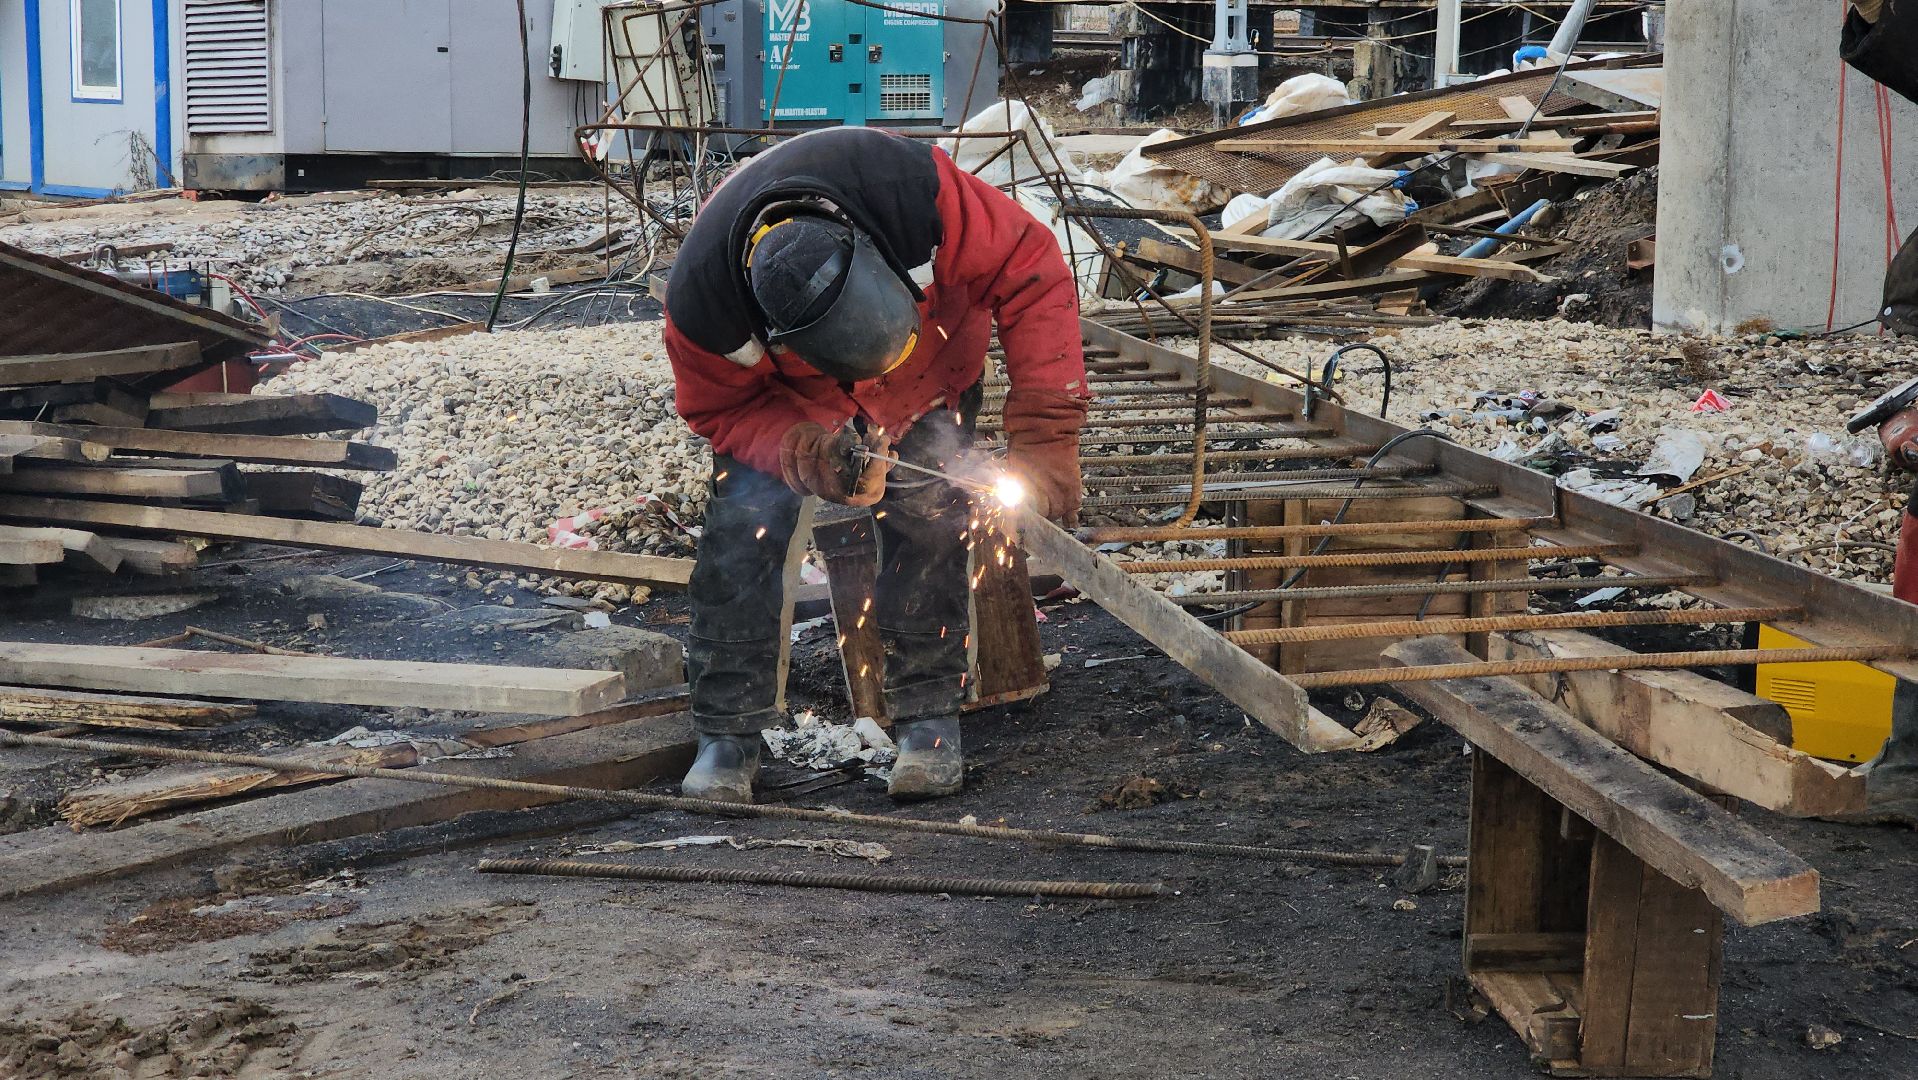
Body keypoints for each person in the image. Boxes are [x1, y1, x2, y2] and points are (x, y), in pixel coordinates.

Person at [662, 127, 1089, 804]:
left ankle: (928, 722)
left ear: (875, 253)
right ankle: (728, 735)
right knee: (743, 533)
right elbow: (718, 409)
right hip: (802, 405)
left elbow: (1033, 271)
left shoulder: (915, 195)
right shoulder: (704, 305)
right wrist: (798, 448)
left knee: (928, 518)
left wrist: (1045, 432)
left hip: (934, 372)